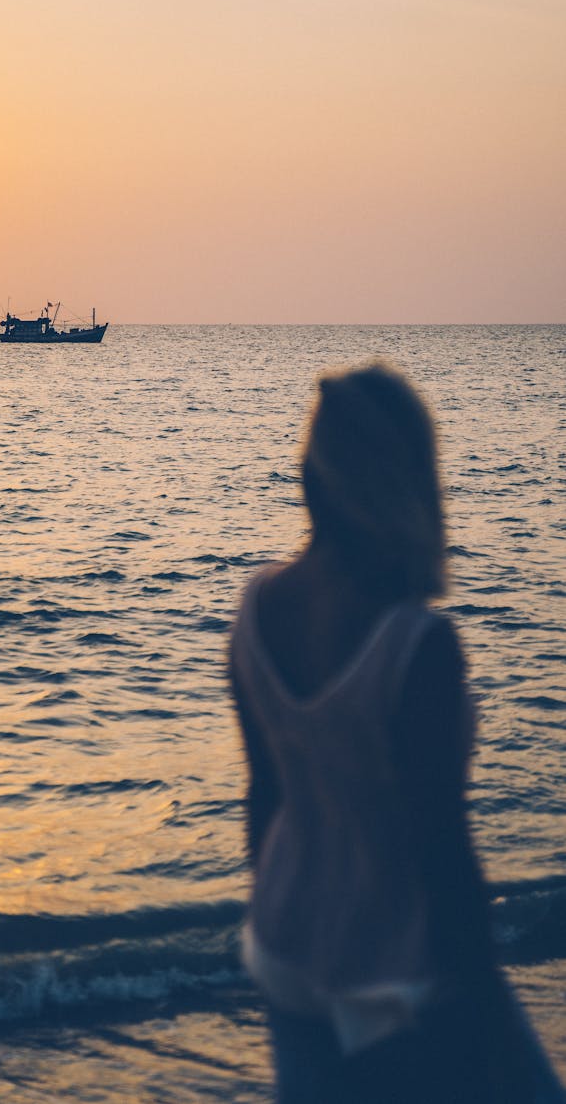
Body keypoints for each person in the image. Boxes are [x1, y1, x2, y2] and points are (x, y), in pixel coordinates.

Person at [229, 364, 564, 1103]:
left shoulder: (257, 607)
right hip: (395, 970)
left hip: (287, 942)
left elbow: (264, 799)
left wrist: (281, 905)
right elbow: (442, 846)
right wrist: (480, 1008)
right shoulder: (416, 643)